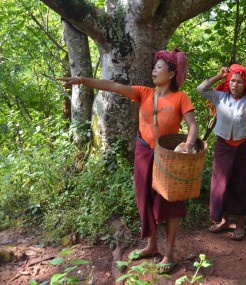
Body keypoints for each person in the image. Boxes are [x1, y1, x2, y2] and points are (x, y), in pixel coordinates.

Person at [58, 48, 198, 274]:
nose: (154, 71)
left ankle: (169, 254)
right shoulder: (144, 93)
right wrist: (82, 80)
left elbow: (193, 126)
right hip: (143, 152)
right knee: (145, 200)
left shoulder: (180, 97)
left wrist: (189, 145)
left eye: (159, 68)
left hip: (168, 156)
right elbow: (113, 86)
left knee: (169, 204)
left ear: (171, 74)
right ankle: (152, 246)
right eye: (154, 67)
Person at [196, 64, 246, 240]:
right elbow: (200, 89)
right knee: (221, 184)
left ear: (245, 84)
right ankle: (223, 221)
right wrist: (219, 76)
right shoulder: (220, 97)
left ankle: (240, 224)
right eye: (232, 80)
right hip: (222, 145)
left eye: (239, 82)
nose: (235, 84)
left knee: (239, 184)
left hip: (241, 146)